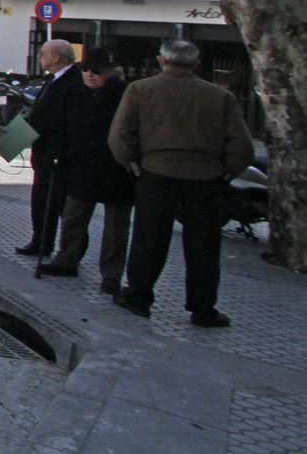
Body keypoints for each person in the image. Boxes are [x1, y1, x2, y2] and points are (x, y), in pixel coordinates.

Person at [109, 39, 253, 328]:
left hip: (156, 173)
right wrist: (226, 172)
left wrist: (131, 163)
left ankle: (138, 297)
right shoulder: (219, 96)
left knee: (149, 238)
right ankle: (203, 308)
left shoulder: (140, 89)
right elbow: (242, 144)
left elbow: (119, 135)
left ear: (161, 61)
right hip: (205, 178)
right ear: (196, 64)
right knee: (204, 245)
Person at [39, 49, 135, 292]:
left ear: (111, 71)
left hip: (116, 167)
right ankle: (66, 259)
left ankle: (111, 275)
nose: (90, 75)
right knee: (72, 215)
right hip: (79, 164)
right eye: (85, 70)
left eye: (97, 71)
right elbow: (58, 125)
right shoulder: (73, 92)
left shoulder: (126, 94)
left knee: (116, 226)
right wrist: (54, 152)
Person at [16, 39, 85, 258]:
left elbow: (64, 120)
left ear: (55, 57)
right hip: (43, 152)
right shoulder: (53, 79)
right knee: (41, 200)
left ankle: (71, 251)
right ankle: (41, 242)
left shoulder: (74, 82)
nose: (40, 57)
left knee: (64, 205)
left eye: (43, 53)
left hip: (59, 155)